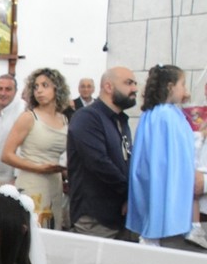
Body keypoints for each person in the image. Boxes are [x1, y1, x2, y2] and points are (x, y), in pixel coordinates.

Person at [127, 64, 207, 250]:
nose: (185, 90)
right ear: (170, 87)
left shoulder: (154, 113)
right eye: (183, 84)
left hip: (153, 184)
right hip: (165, 189)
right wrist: (200, 136)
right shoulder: (167, 115)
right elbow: (181, 151)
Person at [66, 67, 139, 239]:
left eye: (135, 83)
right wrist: (130, 193)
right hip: (95, 217)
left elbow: (126, 160)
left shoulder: (121, 120)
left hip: (120, 215)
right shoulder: (87, 117)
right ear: (108, 86)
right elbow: (99, 163)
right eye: (129, 83)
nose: (135, 88)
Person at [2, 67, 70, 228]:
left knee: (53, 227)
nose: (39, 90)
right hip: (32, 180)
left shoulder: (64, 119)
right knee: (33, 228)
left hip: (55, 182)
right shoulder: (28, 117)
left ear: (57, 88)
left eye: (45, 85)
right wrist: (38, 168)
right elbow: (6, 155)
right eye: (36, 86)